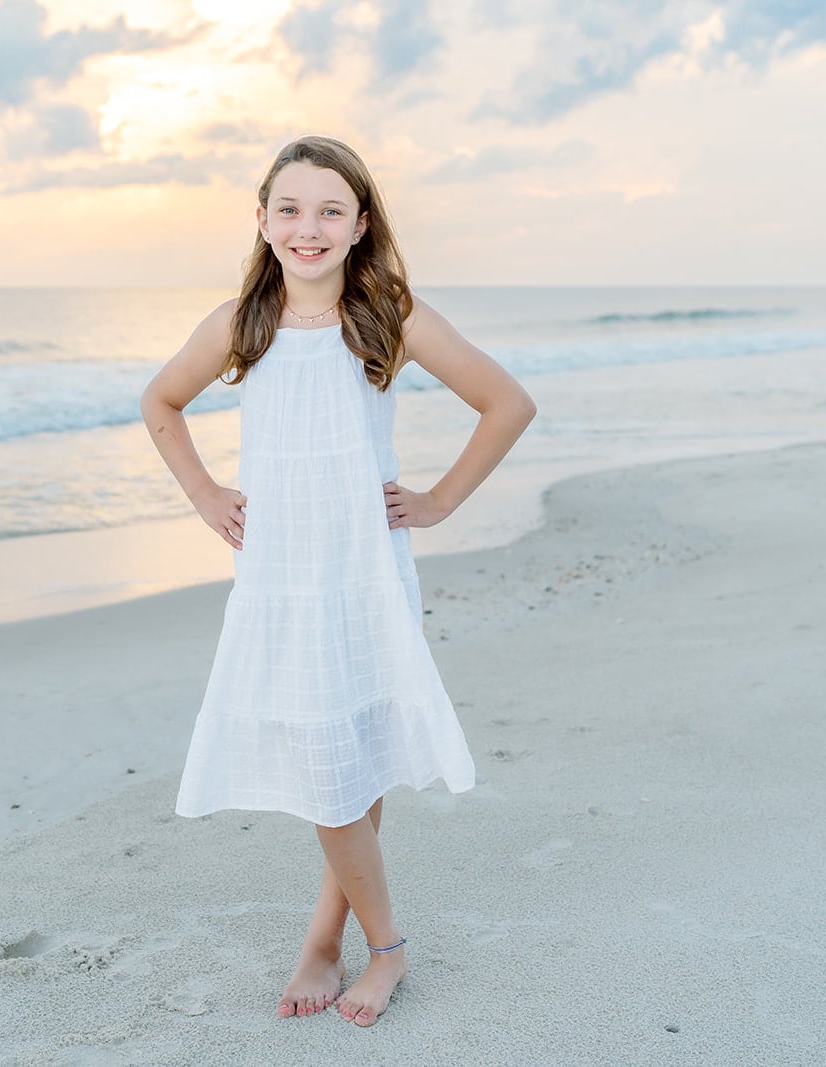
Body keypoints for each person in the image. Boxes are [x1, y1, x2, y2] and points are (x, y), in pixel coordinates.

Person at [139, 135, 536, 1028]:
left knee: (344, 752)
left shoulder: (388, 310)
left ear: (361, 223)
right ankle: (331, 938)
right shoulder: (242, 319)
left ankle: (377, 948)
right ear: (262, 219)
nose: (307, 228)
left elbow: (507, 402)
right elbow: (159, 401)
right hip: (281, 579)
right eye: (290, 208)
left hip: (363, 573)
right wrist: (205, 493)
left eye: (329, 210)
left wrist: (437, 501)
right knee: (335, 759)